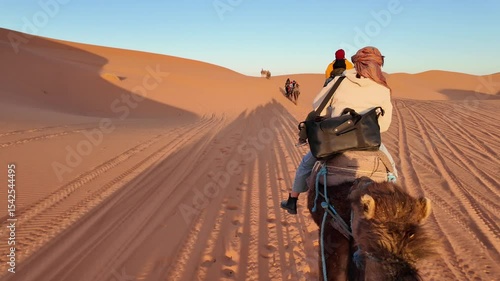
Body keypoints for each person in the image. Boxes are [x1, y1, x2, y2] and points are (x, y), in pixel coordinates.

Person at [281, 46, 397, 214]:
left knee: (306, 164)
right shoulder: (383, 89)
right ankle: (392, 209)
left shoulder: (338, 81)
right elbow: (384, 126)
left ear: (356, 63)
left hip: (336, 140)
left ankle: (292, 200)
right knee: (392, 170)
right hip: (368, 142)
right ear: (379, 65)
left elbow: (318, 108)